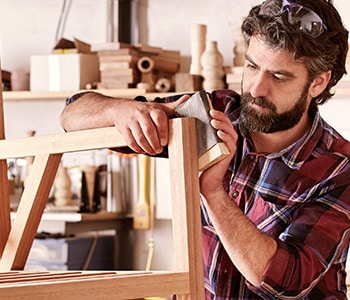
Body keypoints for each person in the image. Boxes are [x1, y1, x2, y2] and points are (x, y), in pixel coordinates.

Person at [60, 0, 350, 298]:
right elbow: (72, 116)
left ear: (317, 82)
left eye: (278, 76)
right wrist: (122, 112)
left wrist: (213, 194)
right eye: (252, 66)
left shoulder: (338, 167)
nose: (255, 89)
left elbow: (286, 282)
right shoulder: (213, 112)